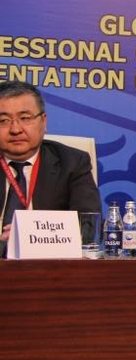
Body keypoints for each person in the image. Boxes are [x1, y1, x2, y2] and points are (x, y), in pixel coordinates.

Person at [0, 80, 101, 254]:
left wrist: (32, 237)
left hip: (50, 265)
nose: (15, 129)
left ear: (43, 121)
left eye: (25, 118)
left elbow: (89, 226)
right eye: (3, 120)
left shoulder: (72, 162)